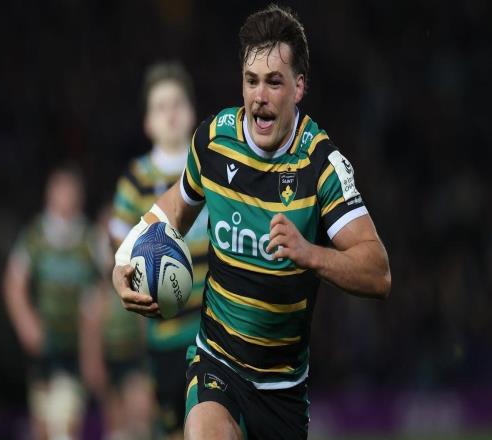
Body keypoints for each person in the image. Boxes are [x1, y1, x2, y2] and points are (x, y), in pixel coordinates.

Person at [113, 5, 391, 440]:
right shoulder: (213, 141)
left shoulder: (321, 165)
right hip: (216, 360)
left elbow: (378, 273)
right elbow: (173, 209)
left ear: (299, 87)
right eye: (251, 80)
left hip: (282, 388)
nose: (259, 95)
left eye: (274, 82)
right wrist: (123, 259)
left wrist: (310, 254)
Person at [109, 62, 209, 438]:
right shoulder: (136, 179)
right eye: (160, 107)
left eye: (177, 103)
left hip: (215, 329)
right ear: (148, 123)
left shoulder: (211, 168)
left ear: (192, 112)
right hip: (165, 336)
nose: (170, 114)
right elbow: (118, 246)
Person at [3, 167, 98, 440]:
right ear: (49, 195)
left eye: (71, 192)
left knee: (65, 421)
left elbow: (104, 285)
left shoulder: (89, 239)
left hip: (76, 344)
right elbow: (13, 283)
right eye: (60, 191)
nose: (65, 198)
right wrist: (26, 323)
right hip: (45, 343)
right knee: (42, 423)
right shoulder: (35, 236)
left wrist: (92, 338)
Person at [79, 204, 153, 440]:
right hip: (109, 365)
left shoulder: (139, 280)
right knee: (116, 425)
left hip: (134, 362)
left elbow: (145, 324)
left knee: (140, 412)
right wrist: (94, 364)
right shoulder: (95, 290)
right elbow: (90, 332)